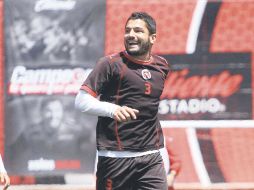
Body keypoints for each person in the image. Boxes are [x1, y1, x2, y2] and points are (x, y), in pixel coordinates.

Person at [75, 12, 170, 189]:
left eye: (138, 31)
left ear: (152, 38)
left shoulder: (162, 66)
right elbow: (81, 101)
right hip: (115, 160)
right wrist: (113, 110)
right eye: (128, 30)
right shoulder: (109, 64)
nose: (131, 35)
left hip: (151, 158)